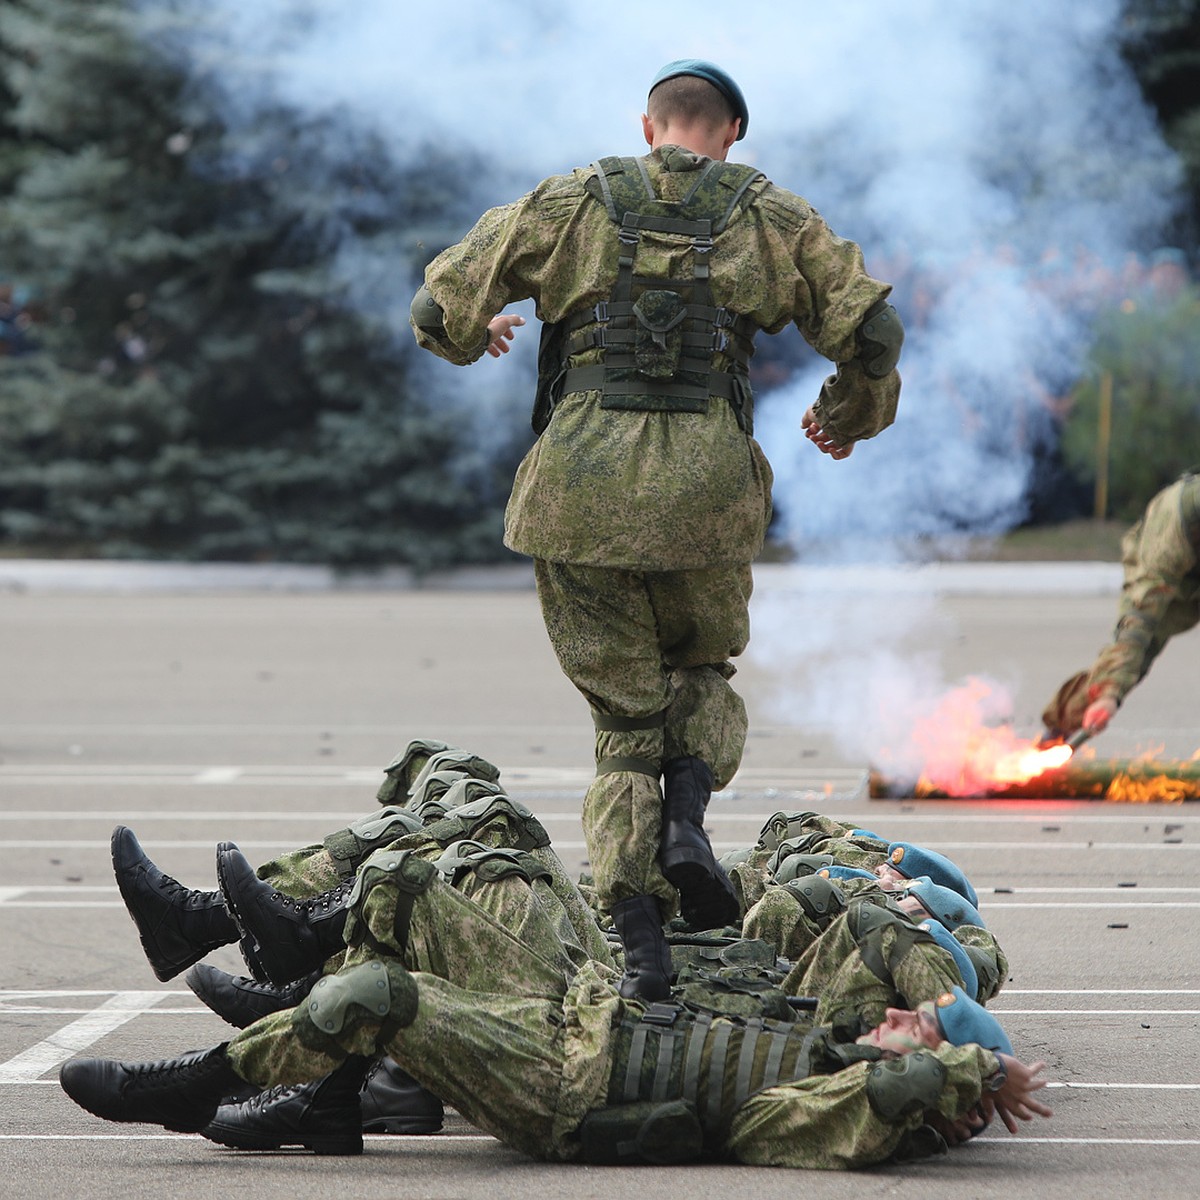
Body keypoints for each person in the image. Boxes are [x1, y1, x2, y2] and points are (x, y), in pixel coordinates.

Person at [409, 60, 903, 1000]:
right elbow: (873, 334)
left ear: (648, 128)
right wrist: (846, 416)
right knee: (699, 677)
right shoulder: (771, 214)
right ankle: (686, 820)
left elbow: (438, 307)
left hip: (578, 493)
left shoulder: (567, 202)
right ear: (729, 135)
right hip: (705, 496)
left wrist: (478, 338)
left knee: (623, 722)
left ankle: (637, 933)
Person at [61, 851, 1049, 1169]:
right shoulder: (816, 1020)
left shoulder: (819, 1108)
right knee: (409, 885)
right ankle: (269, 983)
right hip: (573, 1000)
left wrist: (972, 1070)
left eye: (922, 1027)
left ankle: (195, 1086)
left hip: (561, 1082)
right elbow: (854, 933)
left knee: (379, 997)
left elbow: (906, 1080)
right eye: (920, 1016)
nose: (908, 1018)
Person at [1041, 469, 1200, 742]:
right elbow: (1140, 619)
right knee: (1129, 660)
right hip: (1169, 583)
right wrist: (1110, 693)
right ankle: (1058, 733)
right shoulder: (1177, 521)